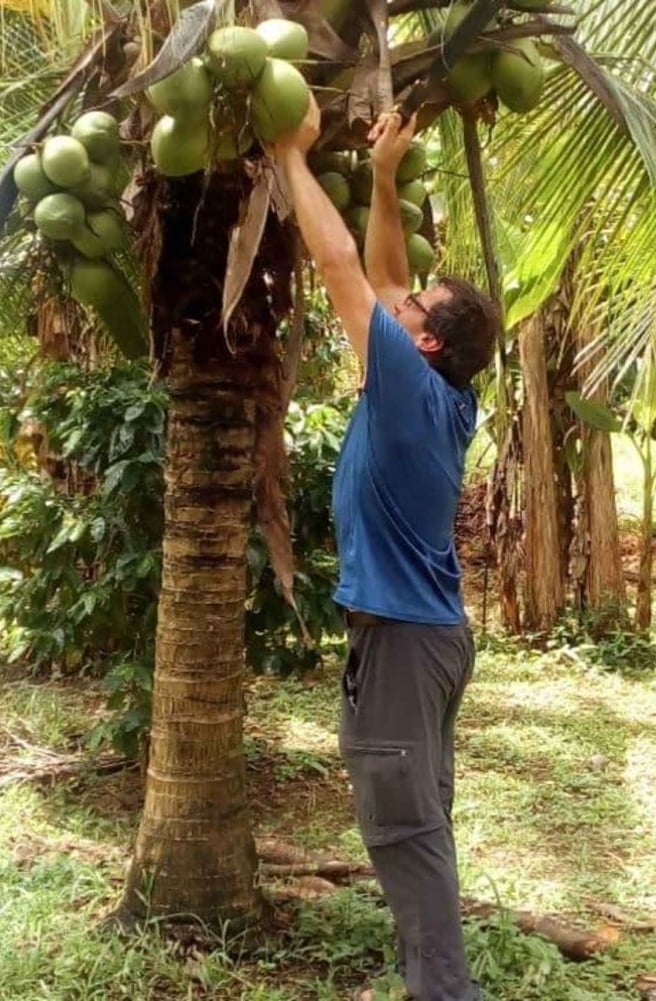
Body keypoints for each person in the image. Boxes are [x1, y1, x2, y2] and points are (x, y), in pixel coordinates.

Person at [266, 95, 499, 1001]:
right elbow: (385, 269)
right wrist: (386, 177)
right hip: (428, 637)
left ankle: (445, 993)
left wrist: (291, 156)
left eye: (412, 309)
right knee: (419, 817)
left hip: (403, 642)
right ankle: (432, 982)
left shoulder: (404, 386)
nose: (396, 301)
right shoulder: (438, 390)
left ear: (425, 341)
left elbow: (340, 266)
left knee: (403, 828)